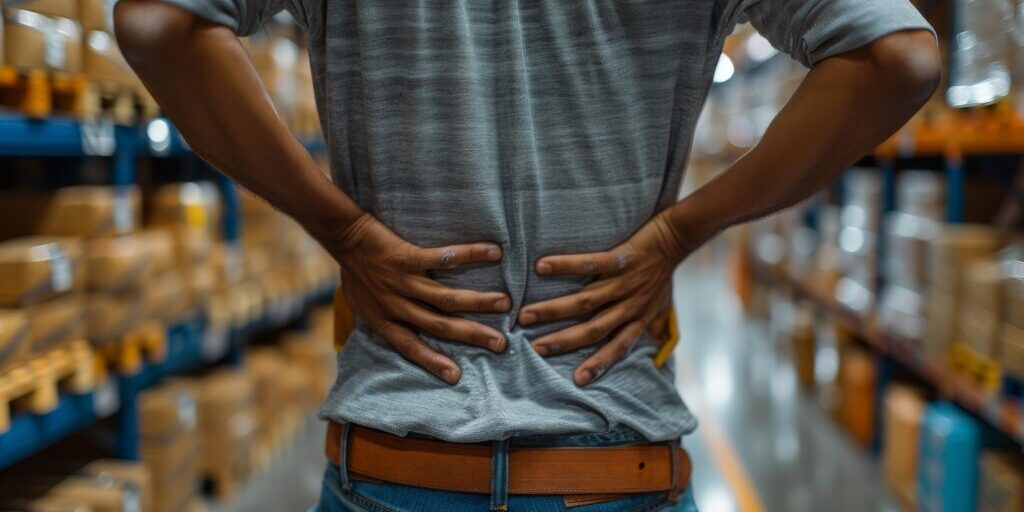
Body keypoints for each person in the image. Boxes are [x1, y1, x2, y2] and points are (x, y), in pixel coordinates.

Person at [114, 1, 939, 510]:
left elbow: (158, 23)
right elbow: (897, 57)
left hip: (400, 462)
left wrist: (345, 232)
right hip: (617, 457)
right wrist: (684, 230)